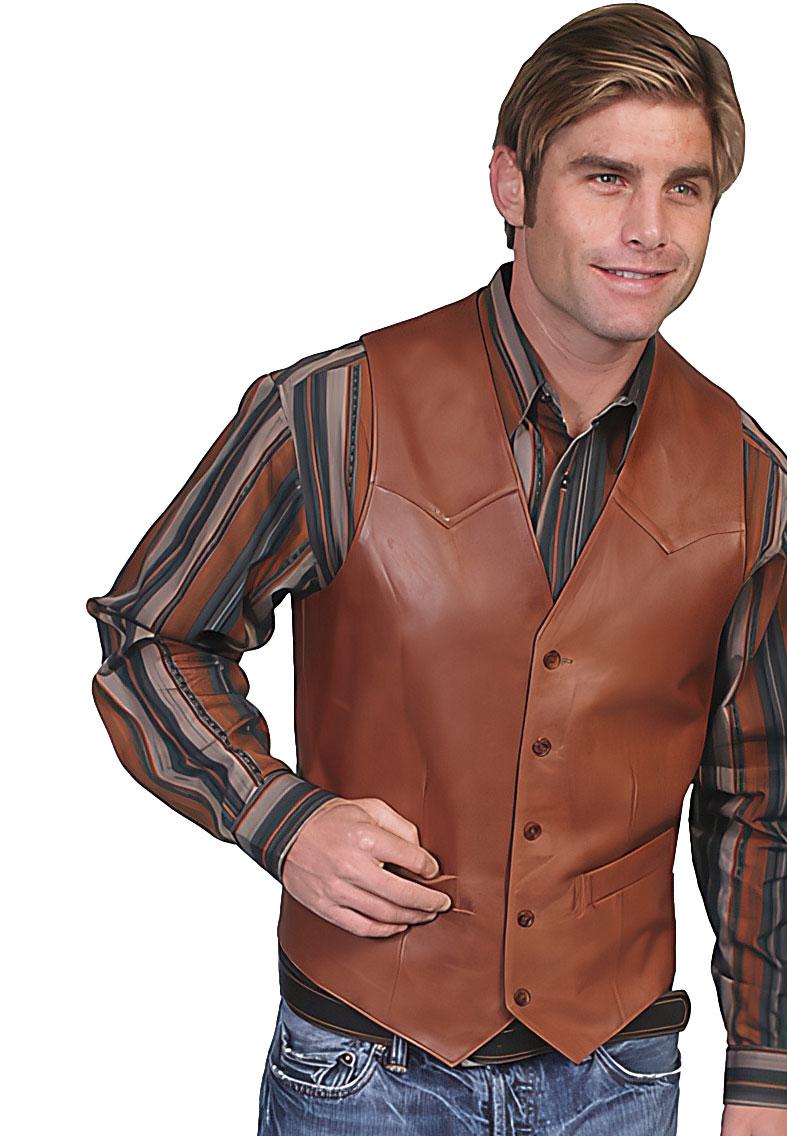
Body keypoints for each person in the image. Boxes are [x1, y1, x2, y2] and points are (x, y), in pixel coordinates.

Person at [86, 4, 786, 1133]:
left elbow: (763, 800)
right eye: (605, 177)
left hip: (617, 1078)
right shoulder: (331, 412)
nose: (648, 228)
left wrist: (766, 1069)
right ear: (511, 185)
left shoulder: (751, 482)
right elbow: (150, 634)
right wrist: (276, 815)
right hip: (362, 1067)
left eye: (685, 188)